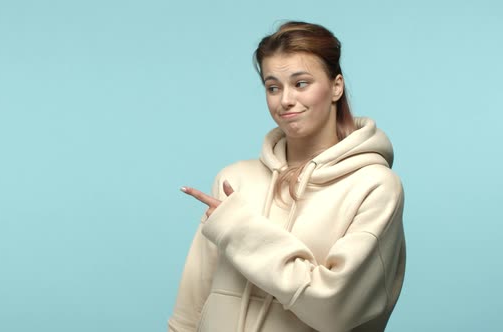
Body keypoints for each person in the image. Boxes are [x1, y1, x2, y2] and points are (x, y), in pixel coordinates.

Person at [168, 21, 406, 332]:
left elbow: (335, 309)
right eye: (273, 87)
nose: (285, 100)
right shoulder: (234, 180)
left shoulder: (374, 187)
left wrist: (239, 231)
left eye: (301, 83)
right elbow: (192, 302)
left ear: (336, 86)